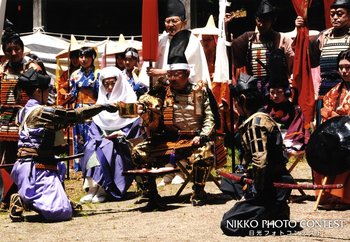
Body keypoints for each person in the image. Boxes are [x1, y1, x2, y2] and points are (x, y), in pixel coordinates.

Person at [9, 67, 119, 222]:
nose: (49, 95)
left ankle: (44, 199)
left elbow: (53, 125)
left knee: (58, 167)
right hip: (36, 169)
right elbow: (72, 116)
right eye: (47, 91)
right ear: (38, 91)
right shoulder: (39, 111)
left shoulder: (23, 112)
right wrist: (102, 107)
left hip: (26, 167)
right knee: (62, 212)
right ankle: (24, 201)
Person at [134, 30, 216, 206]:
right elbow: (146, 103)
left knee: (204, 153)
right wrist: (145, 109)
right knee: (138, 152)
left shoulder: (198, 92)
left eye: (176, 75)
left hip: (195, 138)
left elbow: (210, 116)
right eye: (169, 75)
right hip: (168, 140)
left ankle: (199, 192)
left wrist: (202, 135)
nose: (172, 79)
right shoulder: (162, 91)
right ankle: (150, 194)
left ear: (186, 74)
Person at [220, 73, 295, 236]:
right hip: (267, 179)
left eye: (235, 102)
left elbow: (260, 163)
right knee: (227, 181)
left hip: (271, 183)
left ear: (242, 100)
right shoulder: (258, 118)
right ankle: (273, 211)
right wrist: (245, 173)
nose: (234, 106)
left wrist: (255, 191)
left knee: (229, 223)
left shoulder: (256, 124)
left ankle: (271, 212)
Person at [79, 66, 144, 203]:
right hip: (103, 140)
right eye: (105, 84)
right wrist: (100, 138)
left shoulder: (129, 101)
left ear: (118, 82)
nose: (109, 87)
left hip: (121, 146)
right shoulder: (102, 103)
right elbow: (94, 129)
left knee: (107, 147)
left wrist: (120, 134)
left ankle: (104, 188)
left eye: (112, 83)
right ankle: (92, 188)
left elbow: (135, 128)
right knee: (91, 146)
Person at [0, 20, 43, 209]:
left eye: (17, 49)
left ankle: (24, 195)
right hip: (4, 121)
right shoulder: (2, 71)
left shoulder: (33, 67)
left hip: (27, 122)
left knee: (26, 158)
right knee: (7, 160)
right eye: (9, 50)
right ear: (5, 52)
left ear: (22, 49)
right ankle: (6, 196)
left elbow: (44, 93)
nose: (14, 53)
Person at [295, 0, 350, 125]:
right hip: (325, 90)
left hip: (347, 92)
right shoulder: (321, 38)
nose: (335, 17)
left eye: (340, 14)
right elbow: (314, 67)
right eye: (332, 14)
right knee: (324, 131)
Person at [226, 0, 294, 98]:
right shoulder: (248, 38)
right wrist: (227, 29)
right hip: (254, 89)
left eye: (265, 21)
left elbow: (292, 64)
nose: (261, 24)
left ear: (272, 21)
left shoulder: (282, 39)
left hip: (275, 90)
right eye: (259, 20)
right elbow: (237, 58)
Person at [139, 0, 210, 90]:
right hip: (162, 90)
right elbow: (149, 67)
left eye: (174, 21)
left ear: (184, 23)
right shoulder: (161, 40)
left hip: (186, 91)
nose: (170, 25)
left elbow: (192, 70)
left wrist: (163, 72)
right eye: (167, 21)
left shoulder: (192, 41)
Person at [313, 49, 350, 210]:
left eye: (348, 67)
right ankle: (327, 195)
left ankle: (343, 197)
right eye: (341, 67)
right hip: (338, 134)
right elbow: (325, 112)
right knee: (320, 152)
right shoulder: (334, 91)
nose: (344, 71)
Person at [68, 46, 100, 170]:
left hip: (93, 107)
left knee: (92, 137)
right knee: (79, 137)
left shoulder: (98, 73)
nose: (83, 59)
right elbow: (72, 94)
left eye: (87, 56)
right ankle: (80, 165)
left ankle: (94, 165)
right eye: (81, 56)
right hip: (79, 108)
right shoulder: (74, 75)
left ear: (92, 58)